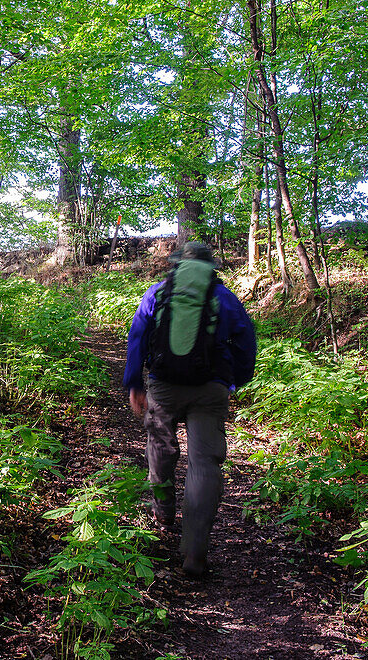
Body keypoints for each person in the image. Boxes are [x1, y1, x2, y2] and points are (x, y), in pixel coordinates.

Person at [122, 241, 256, 577]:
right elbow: (246, 340)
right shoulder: (223, 297)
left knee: (160, 446)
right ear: (210, 268)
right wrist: (235, 380)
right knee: (205, 463)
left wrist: (134, 383)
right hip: (210, 389)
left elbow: (137, 335)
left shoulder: (159, 292)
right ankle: (195, 551)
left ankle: (163, 512)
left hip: (164, 385)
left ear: (177, 265)